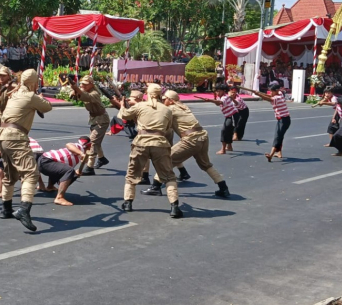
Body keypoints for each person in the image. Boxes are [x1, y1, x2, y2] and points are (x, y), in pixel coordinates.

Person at [141, 90, 230, 198]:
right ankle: (223, 187)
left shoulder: (170, 109)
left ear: (170, 100)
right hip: (202, 137)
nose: (163, 101)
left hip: (191, 139)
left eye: (164, 99)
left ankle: (155, 187)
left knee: (166, 159)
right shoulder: (182, 106)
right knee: (206, 164)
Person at [0, 69, 53, 231]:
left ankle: (6, 209)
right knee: (31, 174)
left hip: (2, 136)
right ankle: (24, 210)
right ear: (33, 83)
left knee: (9, 174)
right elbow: (47, 107)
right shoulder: (30, 96)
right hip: (16, 137)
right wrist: (40, 97)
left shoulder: (15, 94)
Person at [118, 84, 182, 218]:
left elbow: (123, 115)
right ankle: (174, 206)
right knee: (169, 175)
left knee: (132, 173)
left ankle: (128, 202)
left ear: (147, 93)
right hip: (160, 143)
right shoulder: (167, 110)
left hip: (141, 142)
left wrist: (122, 105)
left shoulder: (140, 106)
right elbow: (168, 127)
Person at [69, 75, 111, 174]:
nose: (83, 85)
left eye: (85, 84)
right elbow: (79, 96)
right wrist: (74, 90)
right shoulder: (86, 91)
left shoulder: (95, 93)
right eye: (82, 84)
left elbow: (87, 97)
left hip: (101, 120)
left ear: (91, 84)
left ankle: (90, 167)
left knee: (93, 142)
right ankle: (101, 158)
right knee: (96, 141)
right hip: (94, 119)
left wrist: (77, 89)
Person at [37, 137, 91, 206]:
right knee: (69, 170)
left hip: (46, 163)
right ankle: (59, 197)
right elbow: (68, 145)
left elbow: (64, 177)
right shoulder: (79, 147)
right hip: (46, 161)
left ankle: (50, 187)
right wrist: (81, 153)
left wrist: (76, 174)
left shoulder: (76, 158)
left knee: (66, 171)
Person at [247, 84, 290, 162]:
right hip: (284, 120)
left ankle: (271, 155)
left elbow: (267, 98)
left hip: (284, 120)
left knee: (277, 136)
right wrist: (258, 92)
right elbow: (269, 96)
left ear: (276, 91)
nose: (271, 93)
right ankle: (279, 153)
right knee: (280, 136)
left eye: (272, 91)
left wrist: (258, 94)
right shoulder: (280, 93)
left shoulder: (277, 98)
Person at [199, 84, 239, 155]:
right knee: (228, 130)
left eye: (219, 91)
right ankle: (229, 146)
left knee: (224, 130)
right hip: (230, 115)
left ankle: (223, 149)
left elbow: (220, 103)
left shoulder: (224, 97)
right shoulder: (221, 97)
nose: (217, 93)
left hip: (232, 115)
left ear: (224, 91)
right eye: (216, 91)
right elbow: (218, 103)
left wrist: (210, 100)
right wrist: (212, 100)